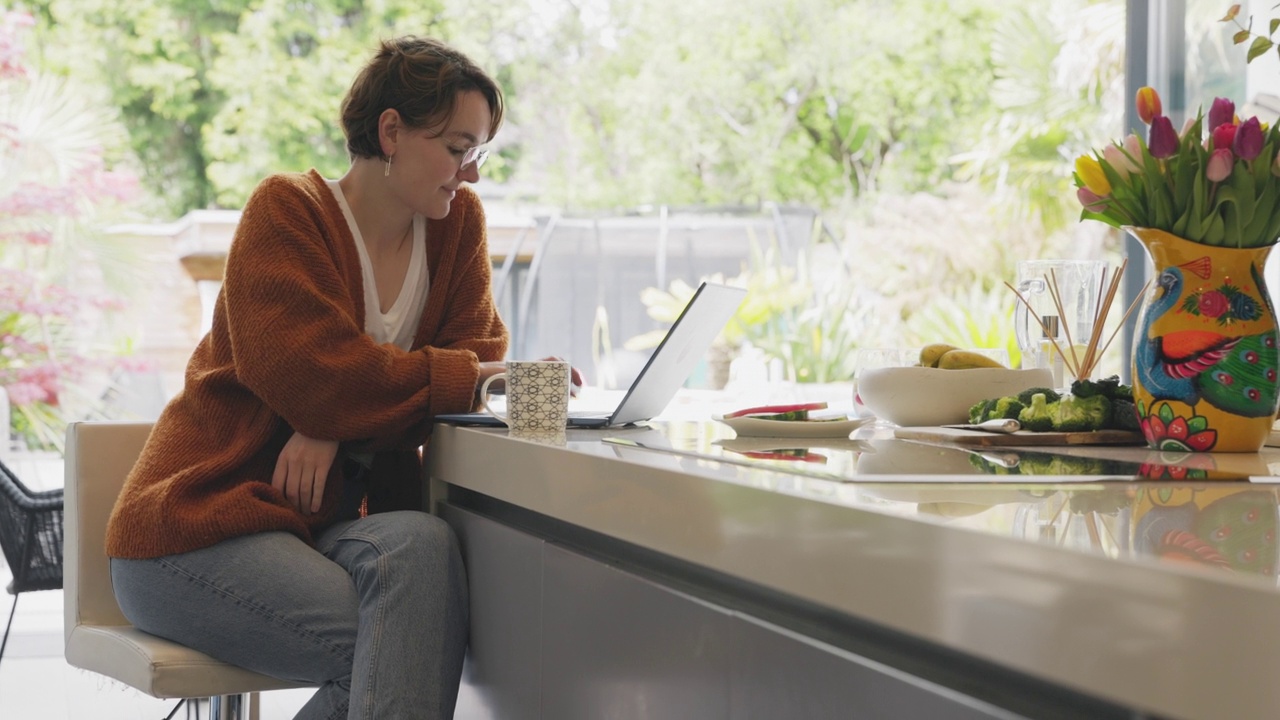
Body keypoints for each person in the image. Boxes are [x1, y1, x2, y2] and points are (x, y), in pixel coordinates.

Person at [106, 36, 527, 719]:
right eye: (457, 148)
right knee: (403, 644)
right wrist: (332, 406)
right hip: (195, 530)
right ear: (391, 131)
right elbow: (312, 374)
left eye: (478, 152)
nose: (471, 174)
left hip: (320, 528)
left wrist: (334, 418)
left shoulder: (457, 229)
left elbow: (467, 366)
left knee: (423, 548)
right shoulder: (285, 212)